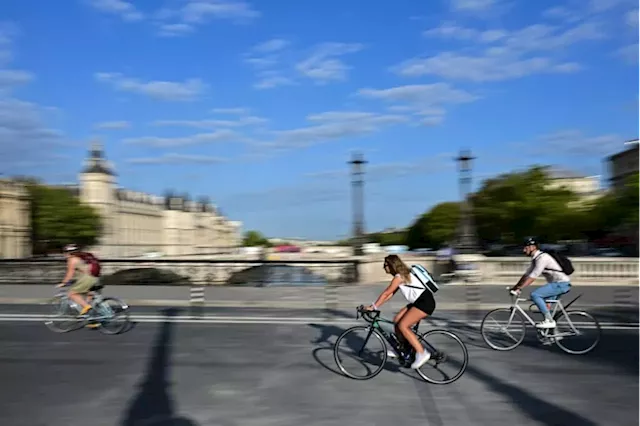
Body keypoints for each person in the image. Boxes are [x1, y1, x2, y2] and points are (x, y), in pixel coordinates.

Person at [365, 254, 436, 370]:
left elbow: (386, 293)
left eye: (385, 265)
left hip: (424, 303)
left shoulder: (399, 277)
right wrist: (376, 306)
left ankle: (422, 353)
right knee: (397, 320)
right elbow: (390, 294)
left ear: (392, 265)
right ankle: (402, 348)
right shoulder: (402, 276)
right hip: (418, 302)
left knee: (403, 326)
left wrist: (373, 307)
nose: (384, 267)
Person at [509, 237, 571, 329]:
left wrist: (520, 288)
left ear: (533, 247)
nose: (523, 250)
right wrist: (515, 287)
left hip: (560, 284)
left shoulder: (542, 258)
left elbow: (533, 276)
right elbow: (526, 275)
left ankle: (549, 321)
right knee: (546, 307)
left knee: (535, 295)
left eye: (525, 247)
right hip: (556, 284)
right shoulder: (536, 259)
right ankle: (552, 334)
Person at [57, 244, 100, 317]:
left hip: (86, 279)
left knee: (72, 294)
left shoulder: (72, 260)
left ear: (68, 253)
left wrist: (64, 283)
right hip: (94, 278)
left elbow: (70, 273)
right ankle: (92, 321)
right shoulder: (80, 259)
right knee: (87, 298)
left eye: (64, 252)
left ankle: (87, 308)